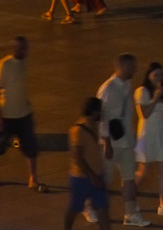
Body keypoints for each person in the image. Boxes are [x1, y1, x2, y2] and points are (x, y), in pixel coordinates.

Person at [96, 52, 148, 227]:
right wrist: (106, 144)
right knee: (104, 181)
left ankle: (130, 214)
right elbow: (102, 118)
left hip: (126, 142)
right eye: (132, 67)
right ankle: (88, 205)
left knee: (129, 179)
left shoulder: (127, 84)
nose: (135, 70)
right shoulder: (108, 89)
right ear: (123, 67)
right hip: (111, 144)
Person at [0, 36, 43, 190]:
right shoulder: (4, 65)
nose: (26, 51)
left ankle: (33, 178)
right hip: (7, 114)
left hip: (24, 112)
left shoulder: (24, 62)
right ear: (16, 49)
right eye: (23, 48)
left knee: (31, 147)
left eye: (26, 48)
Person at [134, 62, 163, 221]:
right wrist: (155, 98)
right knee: (144, 171)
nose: (158, 78)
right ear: (149, 76)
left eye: (161, 75)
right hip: (146, 136)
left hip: (162, 134)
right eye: (155, 75)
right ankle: (131, 198)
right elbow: (144, 114)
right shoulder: (141, 92)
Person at [63, 97, 110, 230]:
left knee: (102, 209)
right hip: (81, 178)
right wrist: (93, 176)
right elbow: (78, 158)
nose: (102, 114)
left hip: (97, 174)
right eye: (100, 111)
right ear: (94, 112)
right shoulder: (78, 130)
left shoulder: (94, 126)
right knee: (75, 207)